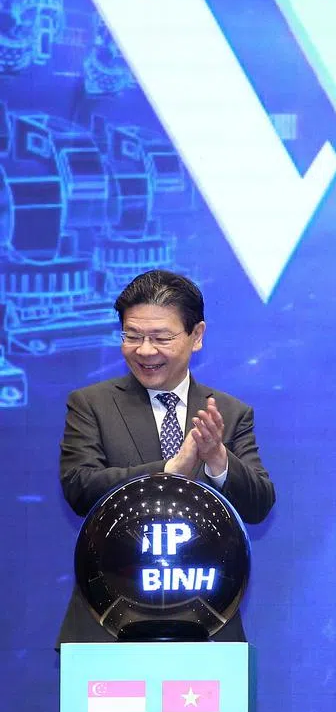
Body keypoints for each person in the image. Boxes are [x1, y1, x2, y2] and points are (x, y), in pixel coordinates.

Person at [57, 269, 275, 642]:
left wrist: (218, 459)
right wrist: (169, 470)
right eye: (132, 336)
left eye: (160, 337)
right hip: (109, 623)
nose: (144, 350)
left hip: (206, 624)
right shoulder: (91, 404)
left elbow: (259, 506)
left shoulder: (229, 412)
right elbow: (80, 488)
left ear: (197, 336)